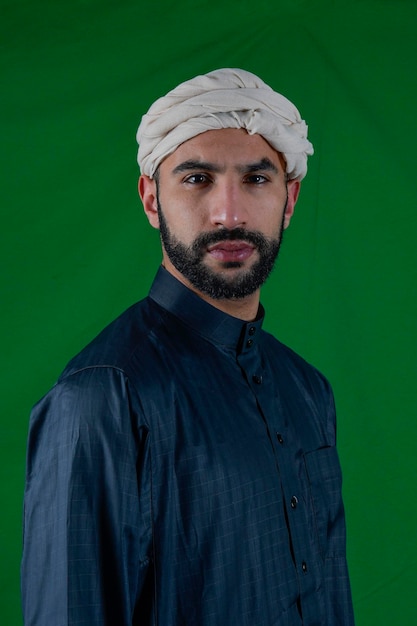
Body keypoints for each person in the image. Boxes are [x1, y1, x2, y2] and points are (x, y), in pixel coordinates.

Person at [21, 68, 355, 625]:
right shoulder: (104, 395)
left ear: (290, 198)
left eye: (256, 180)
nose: (229, 213)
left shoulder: (308, 390)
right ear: (152, 199)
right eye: (197, 179)